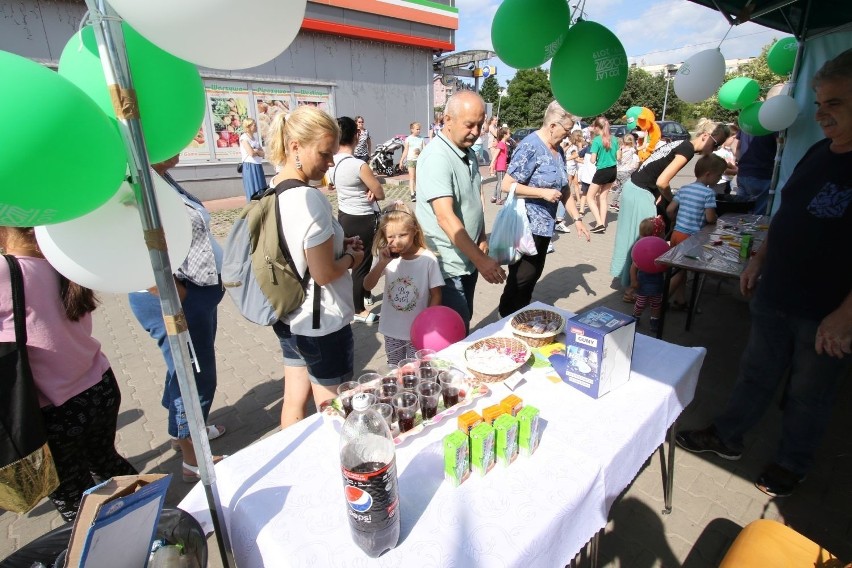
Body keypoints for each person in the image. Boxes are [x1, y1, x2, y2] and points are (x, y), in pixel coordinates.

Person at [676, 49, 852, 498]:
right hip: (777, 293)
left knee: (808, 394)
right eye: (818, 102)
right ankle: (728, 436)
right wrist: (758, 259)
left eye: (835, 103)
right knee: (756, 372)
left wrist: (845, 315)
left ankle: (792, 463)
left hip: (826, 309)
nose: (822, 114)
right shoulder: (817, 152)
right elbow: (785, 215)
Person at [0, 227, 137, 521]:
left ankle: (113, 546)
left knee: (75, 496)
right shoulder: (62, 262)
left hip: (55, 410)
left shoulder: (6, 271)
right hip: (99, 388)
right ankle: (153, 516)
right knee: (107, 462)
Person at [265, 106, 365, 429]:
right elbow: (322, 273)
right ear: (296, 146)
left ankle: (294, 459)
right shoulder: (311, 200)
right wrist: (352, 259)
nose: (330, 163)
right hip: (321, 321)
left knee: (294, 398)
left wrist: (337, 249)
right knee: (333, 408)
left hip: (288, 313)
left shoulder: (270, 191)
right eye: (324, 153)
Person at [129, 155, 227, 482]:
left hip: (194, 294)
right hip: (174, 299)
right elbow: (132, 248)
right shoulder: (136, 186)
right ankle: (191, 458)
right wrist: (176, 293)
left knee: (184, 370)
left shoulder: (160, 178)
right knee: (194, 376)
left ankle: (183, 432)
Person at [415, 91, 505, 333]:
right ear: (447, 120)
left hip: (468, 258)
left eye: (480, 124)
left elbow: (474, 199)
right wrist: (481, 260)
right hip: (446, 267)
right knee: (451, 334)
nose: (476, 132)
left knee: (462, 322)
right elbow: (444, 216)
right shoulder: (437, 157)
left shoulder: (469, 152)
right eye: (469, 125)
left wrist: (482, 236)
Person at [497, 101, 591, 318]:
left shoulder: (557, 150)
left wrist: (577, 218)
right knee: (521, 278)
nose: (567, 136)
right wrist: (542, 193)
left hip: (545, 228)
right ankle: (507, 320)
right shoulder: (531, 146)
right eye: (566, 130)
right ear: (552, 125)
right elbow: (506, 185)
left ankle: (520, 317)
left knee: (532, 277)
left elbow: (564, 188)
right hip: (526, 226)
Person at [610, 118, 730, 288]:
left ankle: (630, 282)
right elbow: (662, 181)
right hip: (640, 191)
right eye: (717, 144)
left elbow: (657, 173)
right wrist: (671, 199)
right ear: (705, 136)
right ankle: (636, 287)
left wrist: (661, 195)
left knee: (632, 238)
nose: (716, 149)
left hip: (634, 187)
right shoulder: (687, 150)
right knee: (645, 242)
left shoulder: (682, 144)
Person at [364, 202, 443, 364]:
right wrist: (381, 263)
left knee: (413, 370)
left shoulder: (428, 259)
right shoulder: (386, 257)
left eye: (402, 235)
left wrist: (426, 323)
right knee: (394, 367)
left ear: (414, 231)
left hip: (416, 330)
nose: (397, 241)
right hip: (391, 329)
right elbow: (367, 286)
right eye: (391, 237)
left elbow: (436, 295)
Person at [329, 116, 386, 324]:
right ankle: (358, 308)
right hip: (363, 218)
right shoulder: (358, 165)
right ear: (356, 135)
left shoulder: (331, 162)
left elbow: (331, 185)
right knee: (361, 264)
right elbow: (379, 193)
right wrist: (373, 187)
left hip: (344, 216)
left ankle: (359, 297)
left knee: (351, 260)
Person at [664, 154, 726, 308]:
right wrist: (716, 218)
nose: (719, 179)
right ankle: (661, 302)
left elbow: (670, 209)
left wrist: (676, 220)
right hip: (691, 238)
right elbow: (710, 218)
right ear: (708, 174)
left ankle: (680, 300)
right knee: (680, 272)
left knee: (679, 269)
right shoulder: (708, 193)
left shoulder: (684, 189)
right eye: (718, 175)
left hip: (677, 234)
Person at [628, 217, 667, 333]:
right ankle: (635, 317)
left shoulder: (660, 248)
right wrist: (633, 280)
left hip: (657, 282)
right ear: (658, 234)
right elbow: (633, 267)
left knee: (656, 304)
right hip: (644, 282)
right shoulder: (643, 249)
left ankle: (654, 320)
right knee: (641, 302)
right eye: (663, 232)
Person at [585, 116, 620, 234]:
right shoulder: (614, 139)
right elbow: (619, 157)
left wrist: (593, 154)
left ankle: (599, 223)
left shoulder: (597, 140)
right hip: (613, 170)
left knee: (590, 197)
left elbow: (592, 160)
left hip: (602, 171)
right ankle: (602, 224)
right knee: (603, 197)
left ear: (596, 127)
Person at [734, 131, 777, 214]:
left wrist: (741, 162)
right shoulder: (772, 124)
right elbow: (780, 144)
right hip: (762, 174)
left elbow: (736, 146)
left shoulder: (747, 124)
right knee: (758, 215)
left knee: (739, 212)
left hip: (743, 173)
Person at [610, 133, 640, 213]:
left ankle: (614, 202)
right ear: (632, 141)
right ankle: (621, 204)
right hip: (625, 172)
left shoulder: (620, 149)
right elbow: (641, 148)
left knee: (619, 188)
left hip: (618, 171)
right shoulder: (631, 150)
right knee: (625, 189)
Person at [239, 118, 267, 200]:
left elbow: (263, 153)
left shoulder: (254, 138)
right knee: (253, 187)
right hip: (250, 166)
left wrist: (256, 151)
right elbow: (251, 153)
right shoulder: (244, 138)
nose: (256, 127)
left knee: (261, 186)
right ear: (248, 126)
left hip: (257, 164)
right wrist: (256, 152)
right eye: (254, 125)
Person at [399, 122, 424, 201]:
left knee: (418, 177)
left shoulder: (421, 138)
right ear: (412, 130)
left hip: (419, 160)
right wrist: (401, 160)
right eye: (417, 129)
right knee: (412, 177)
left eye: (419, 129)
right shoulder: (408, 139)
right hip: (411, 160)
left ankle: (417, 192)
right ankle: (412, 193)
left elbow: (424, 149)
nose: (418, 130)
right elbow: (405, 150)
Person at [489, 127, 510, 204]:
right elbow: (496, 154)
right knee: (501, 182)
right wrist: (492, 164)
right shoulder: (501, 144)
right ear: (505, 135)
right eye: (509, 133)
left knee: (499, 182)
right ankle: (498, 199)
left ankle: (494, 197)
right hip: (500, 166)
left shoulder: (504, 143)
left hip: (503, 166)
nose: (510, 134)